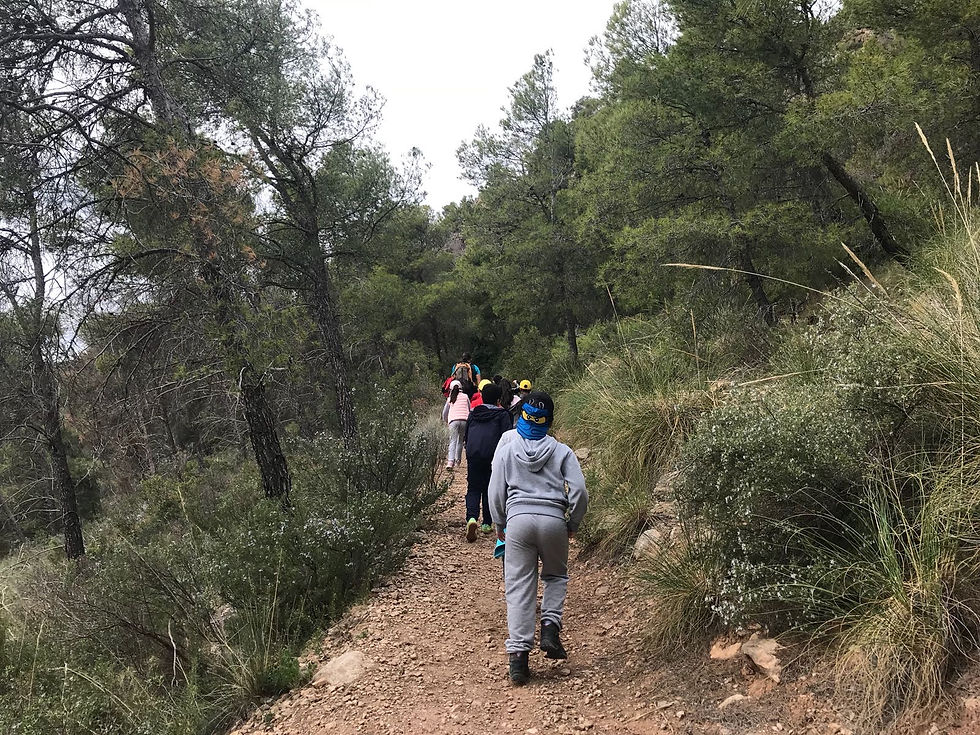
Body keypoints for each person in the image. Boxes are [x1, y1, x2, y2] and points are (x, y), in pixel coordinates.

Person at [489, 391, 588, 686]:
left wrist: (499, 522)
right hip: (554, 521)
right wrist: (574, 521)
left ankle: (518, 660)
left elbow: (496, 490)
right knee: (555, 576)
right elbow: (580, 491)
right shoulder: (562, 452)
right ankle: (549, 626)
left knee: (519, 587)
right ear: (550, 421)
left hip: (518, 521)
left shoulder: (507, 449)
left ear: (522, 416)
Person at [463, 383, 513, 542]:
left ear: (482, 396)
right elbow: (507, 437)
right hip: (493, 457)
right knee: (490, 488)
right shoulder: (503, 415)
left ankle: (471, 518)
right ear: (498, 399)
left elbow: (466, 436)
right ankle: (486, 523)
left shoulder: (473, 413)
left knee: (473, 487)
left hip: (474, 455)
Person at [442, 380, 471, 470]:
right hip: (464, 420)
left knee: (452, 441)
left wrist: (446, 420)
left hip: (453, 421)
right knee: (460, 441)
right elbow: (469, 408)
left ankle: (450, 462)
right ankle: (458, 460)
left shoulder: (450, 398)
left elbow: (445, 412)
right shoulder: (465, 396)